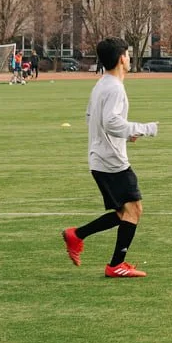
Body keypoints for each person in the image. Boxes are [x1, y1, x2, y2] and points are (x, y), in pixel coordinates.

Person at [61, 38, 158, 278]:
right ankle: (116, 265)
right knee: (133, 210)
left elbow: (91, 117)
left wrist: (123, 135)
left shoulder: (102, 84)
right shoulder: (114, 87)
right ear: (120, 58)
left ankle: (77, 235)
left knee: (126, 211)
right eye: (127, 54)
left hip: (102, 157)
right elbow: (111, 121)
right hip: (111, 161)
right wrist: (143, 128)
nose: (128, 58)